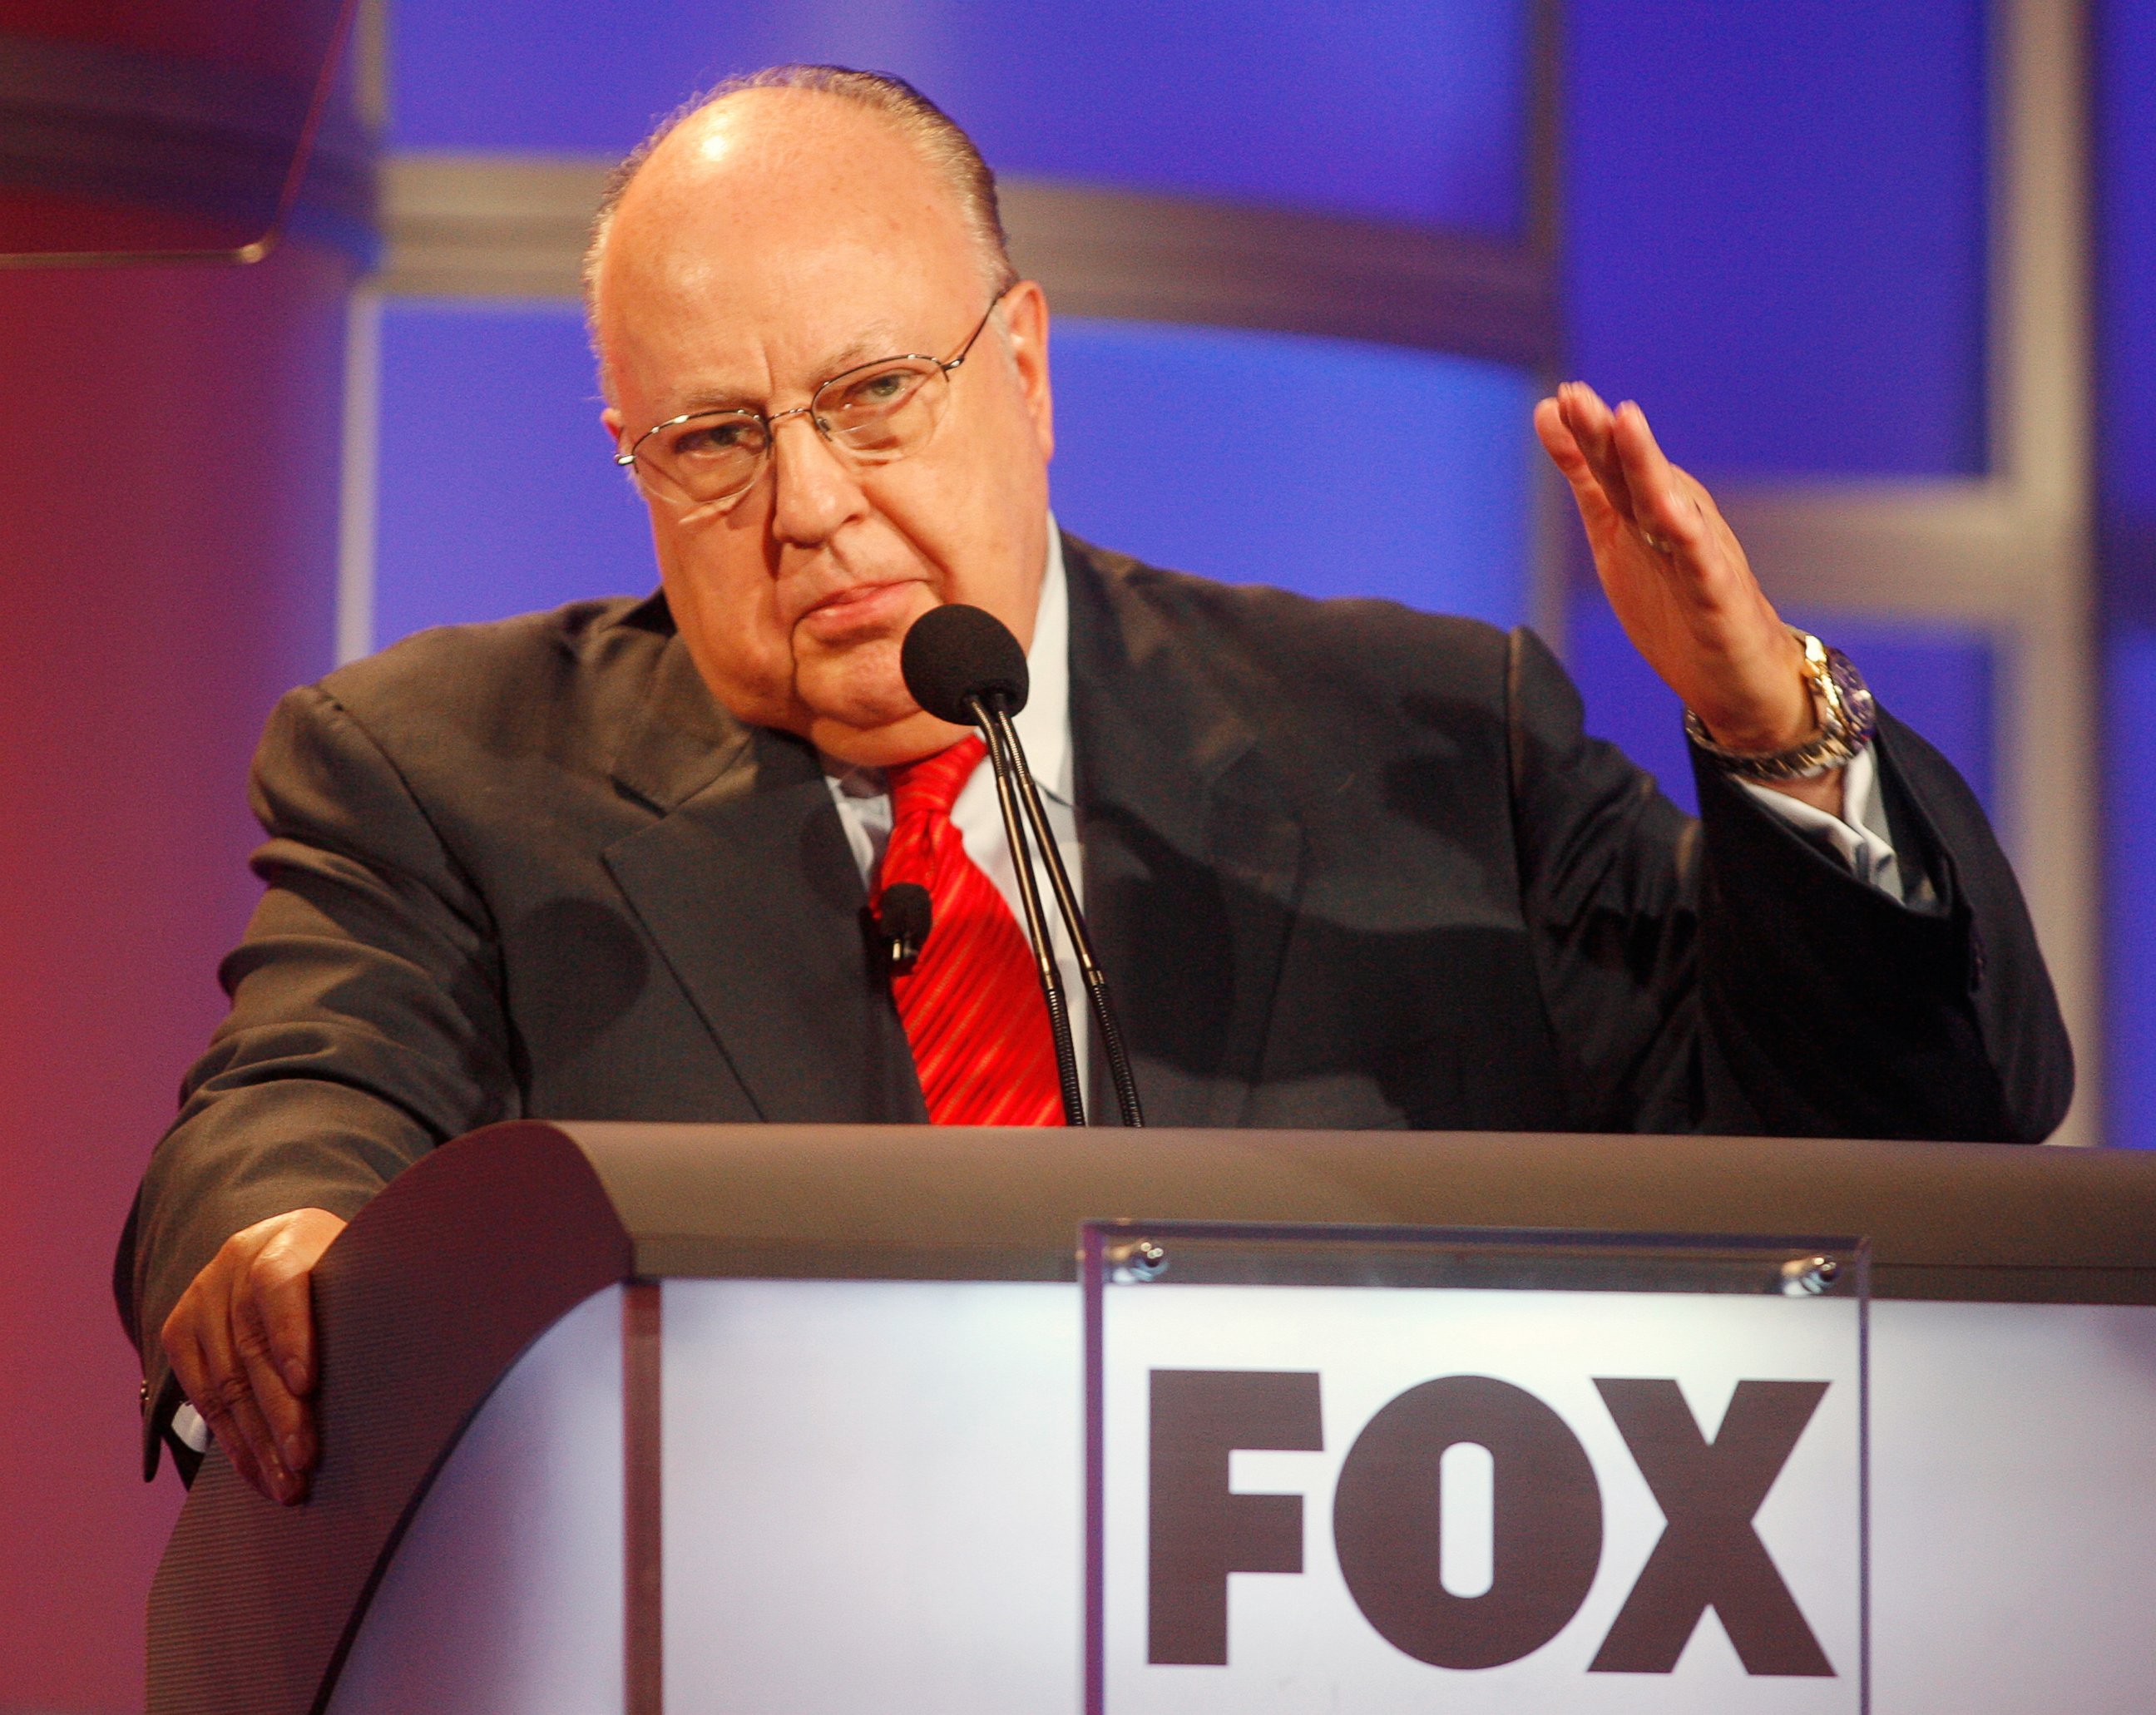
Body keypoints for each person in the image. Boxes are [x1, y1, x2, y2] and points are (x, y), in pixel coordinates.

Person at [116, 67, 2070, 1508]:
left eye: (876, 396)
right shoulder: (446, 768)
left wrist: (1774, 736)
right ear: (632, 453)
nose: (808, 508)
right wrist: (283, 1243)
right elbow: (303, 1093)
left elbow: (1911, 1136)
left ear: (1026, 368)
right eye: (713, 438)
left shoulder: (1419, 738)